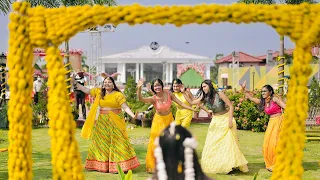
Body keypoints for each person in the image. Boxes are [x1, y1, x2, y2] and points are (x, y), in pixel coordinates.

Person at [73, 76, 140, 173]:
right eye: (105, 82)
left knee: (118, 142)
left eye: (109, 82)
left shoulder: (118, 94)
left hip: (115, 121)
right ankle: (101, 165)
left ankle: (119, 165)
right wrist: (75, 83)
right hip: (102, 122)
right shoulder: (99, 92)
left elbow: (124, 107)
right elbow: (86, 90)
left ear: (113, 84)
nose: (107, 84)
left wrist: (133, 115)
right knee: (102, 143)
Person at [136, 78, 196, 173]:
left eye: (159, 85)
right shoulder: (154, 99)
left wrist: (191, 108)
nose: (157, 87)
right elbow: (141, 99)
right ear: (153, 88)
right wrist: (139, 88)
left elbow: (180, 103)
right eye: (155, 86)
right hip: (158, 122)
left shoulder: (169, 94)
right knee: (156, 143)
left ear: (162, 86)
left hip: (169, 120)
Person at [197, 79, 249, 174]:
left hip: (225, 119)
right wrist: (207, 110)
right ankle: (219, 164)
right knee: (213, 143)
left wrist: (230, 121)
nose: (203, 88)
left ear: (210, 86)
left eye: (204, 86)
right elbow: (196, 103)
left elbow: (231, 106)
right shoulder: (205, 97)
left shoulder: (219, 94)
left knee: (228, 143)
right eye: (202, 87)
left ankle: (229, 165)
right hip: (215, 121)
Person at [241, 81, 286, 172]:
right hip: (271, 123)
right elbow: (252, 99)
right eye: (262, 92)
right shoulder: (264, 101)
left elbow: (286, 106)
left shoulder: (275, 99)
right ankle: (271, 163)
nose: (263, 93)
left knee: (275, 144)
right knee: (267, 144)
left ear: (270, 91)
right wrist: (244, 90)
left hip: (279, 122)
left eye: (265, 91)